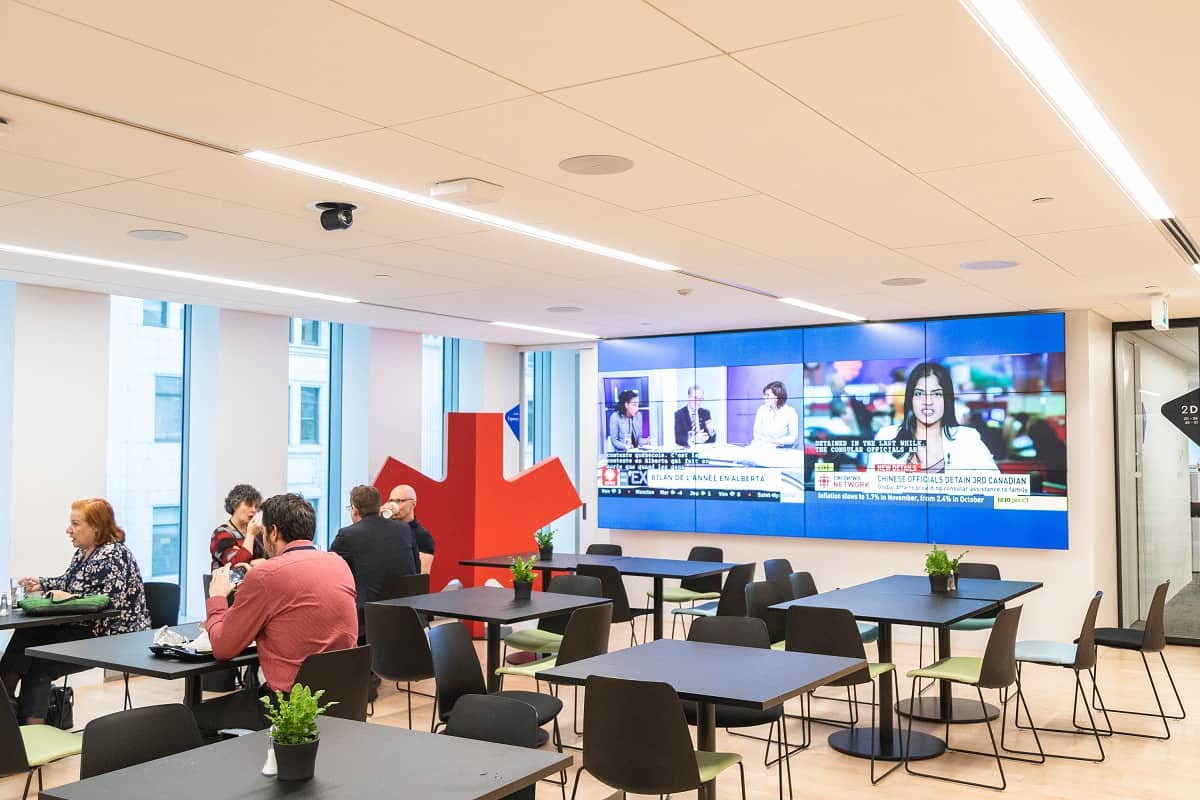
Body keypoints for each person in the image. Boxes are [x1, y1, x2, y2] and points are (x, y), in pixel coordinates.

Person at [193, 493, 357, 733]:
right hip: (341, 702)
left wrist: (217, 597)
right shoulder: (338, 564)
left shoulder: (267, 576)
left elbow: (223, 647)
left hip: (288, 710)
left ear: (274, 532)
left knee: (188, 720)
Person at [1, 499, 150, 723]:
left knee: (40, 664)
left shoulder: (113, 555)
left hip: (109, 637)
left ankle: (31, 737)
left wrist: (70, 598)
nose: (68, 530)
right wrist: (42, 583)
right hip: (81, 629)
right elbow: (70, 582)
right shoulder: (84, 552)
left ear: (96, 527)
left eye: (75, 524)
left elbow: (108, 603)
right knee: (26, 635)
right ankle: (6, 704)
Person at [871, 362, 999, 473]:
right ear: (911, 399)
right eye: (919, 393)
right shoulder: (885, 437)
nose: (928, 401)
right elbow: (871, 493)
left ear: (947, 399)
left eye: (937, 394)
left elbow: (996, 490)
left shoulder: (968, 439)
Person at [331, 485, 419, 643]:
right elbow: (416, 570)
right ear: (379, 506)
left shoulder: (348, 535)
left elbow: (328, 573)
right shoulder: (404, 530)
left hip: (368, 622)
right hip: (406, 616)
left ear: (354, 509)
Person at [209, 484, 265, 569]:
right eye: (249, 504)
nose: (254, 510)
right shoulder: (221, 533)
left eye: (256, 506)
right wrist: (250, 535)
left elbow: (273, 559)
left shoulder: (258, 532)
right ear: (235, 505)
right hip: (229, 582)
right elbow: (237, 563)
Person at [385, 484, 435, 575]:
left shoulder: (422, 535)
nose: (394, 505)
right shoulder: (386, 530)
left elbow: (422, 576)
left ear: (413, 504)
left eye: (399, 501)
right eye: (391, 501)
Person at [752, 381, 799, 447]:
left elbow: (793, 437)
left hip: (781, 448)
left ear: (777, 397)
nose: (764, 397)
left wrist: (777, 442)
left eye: (767, 395)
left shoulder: (790, 412)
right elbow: (756, 433)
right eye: (764, 394)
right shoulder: (761, 409)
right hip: (762, 447)